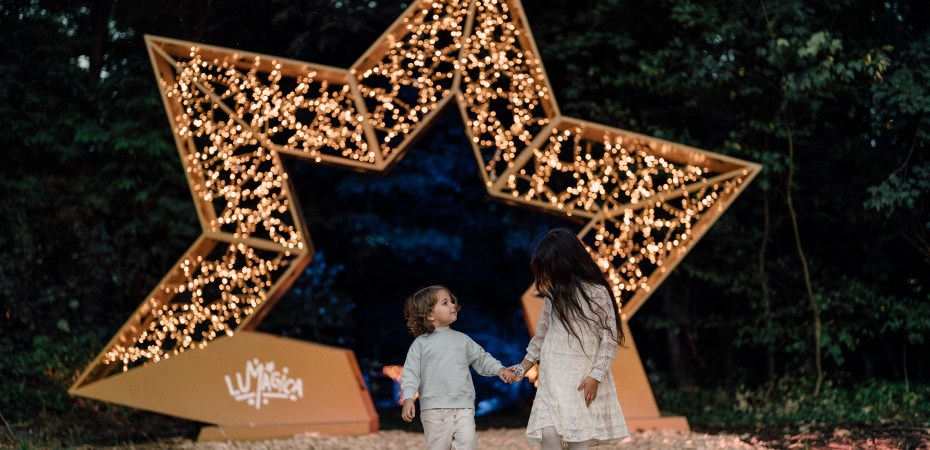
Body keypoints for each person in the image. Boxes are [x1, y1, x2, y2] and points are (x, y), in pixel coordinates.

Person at [509, 228, 630, 449]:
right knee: (548, 434)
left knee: (578, 440)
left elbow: (608, 338)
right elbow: (541, 337)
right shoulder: (553, 296)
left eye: (550, 266)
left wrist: (595, 376)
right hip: (552, 377)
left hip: (581, 379)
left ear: (566, 262)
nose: (547, 273)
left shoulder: (597, 292)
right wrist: (521, 369)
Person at [400, 285, 516, 450]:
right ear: (430, 315)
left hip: (464, 407)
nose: (452, 305)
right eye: (445, 303)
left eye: (452, 301)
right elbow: (410, 373)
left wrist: (500, 369)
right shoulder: (420, 344)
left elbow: (482, 358)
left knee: (468, 444)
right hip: (434, 410)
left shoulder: (463, 340)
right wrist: (408, 398)